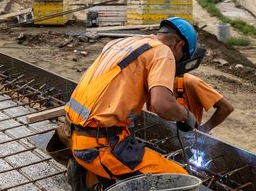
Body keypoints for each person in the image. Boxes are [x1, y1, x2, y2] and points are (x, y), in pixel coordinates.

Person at [64, 17, 200, 190]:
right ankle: (99, 170)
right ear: (179, 44)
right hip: (99, 147)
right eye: (181, 58)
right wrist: (186, 115)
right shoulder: (164, 52)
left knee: (127, 130)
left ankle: (90, 176)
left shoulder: (124, 42)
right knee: (183, 180)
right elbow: (162, 105)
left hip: (71, 134)